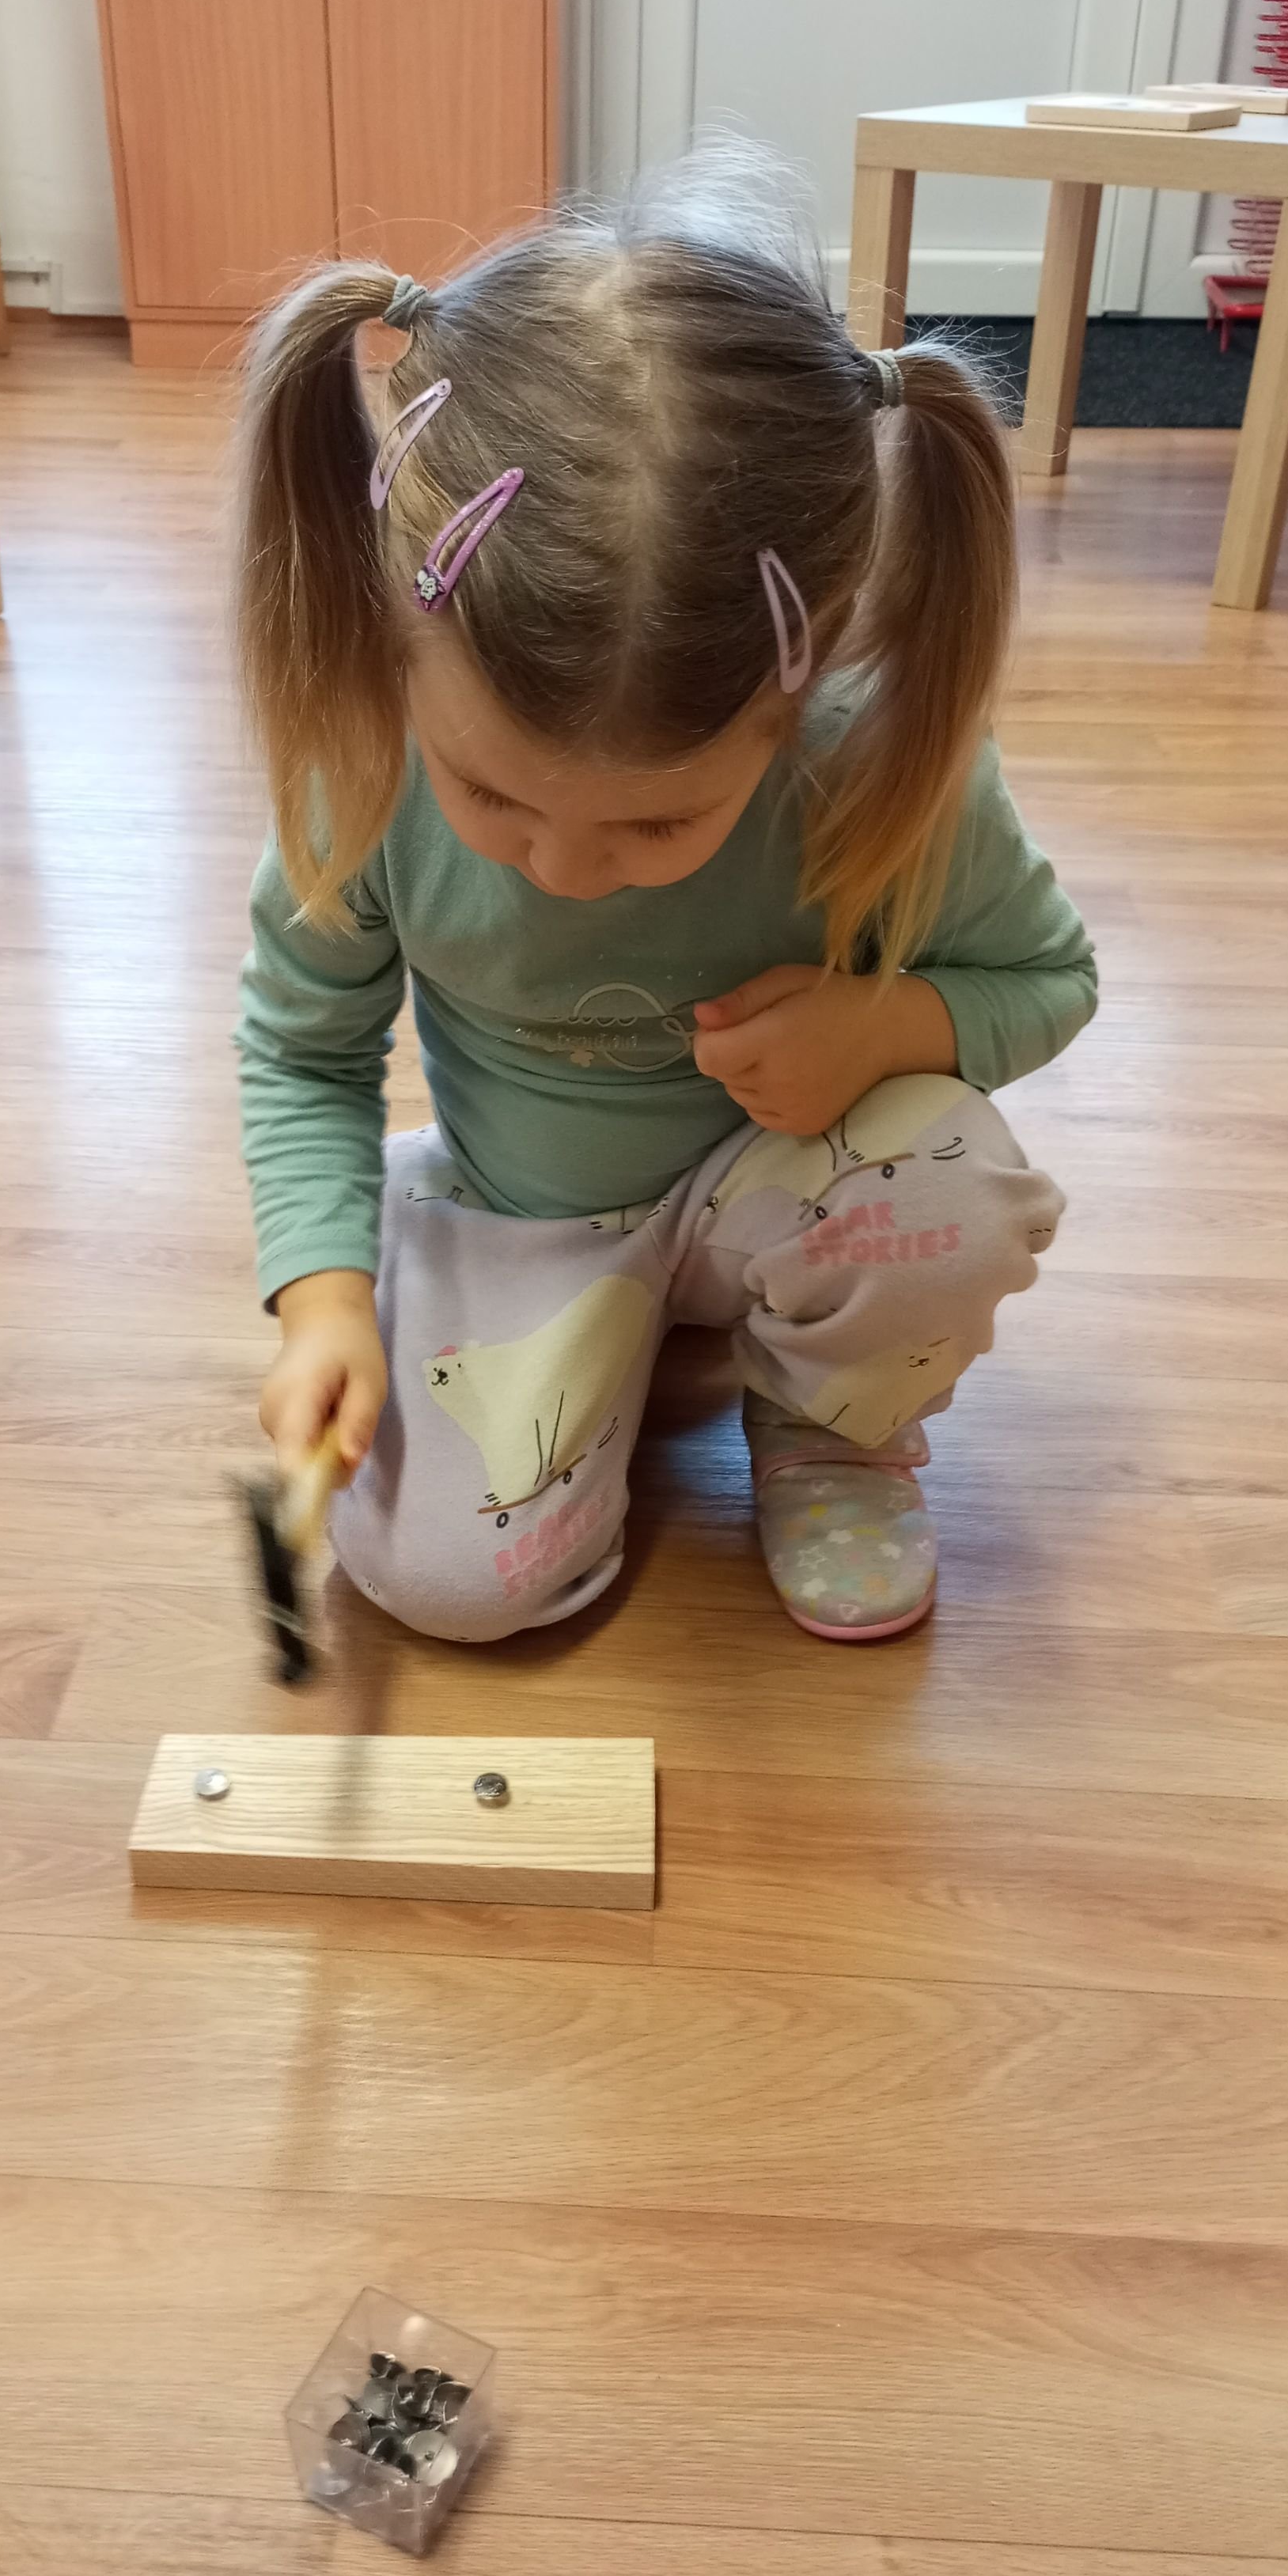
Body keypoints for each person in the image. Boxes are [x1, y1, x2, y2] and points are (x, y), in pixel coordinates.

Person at [234, 151, 1093, 1647]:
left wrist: (886, 1027)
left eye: (657, 820)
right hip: (526, 1209)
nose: (566, 870)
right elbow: (301, 1054)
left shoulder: (878, 766)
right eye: (492, 795)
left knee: (955, 1196)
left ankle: (824, 1426)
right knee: (450, 1589)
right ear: (393, 646)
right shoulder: (364, 766)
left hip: (780, 1190)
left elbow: (1051, 980)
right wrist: (322, 1304)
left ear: (797, 695)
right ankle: (467, 1258)